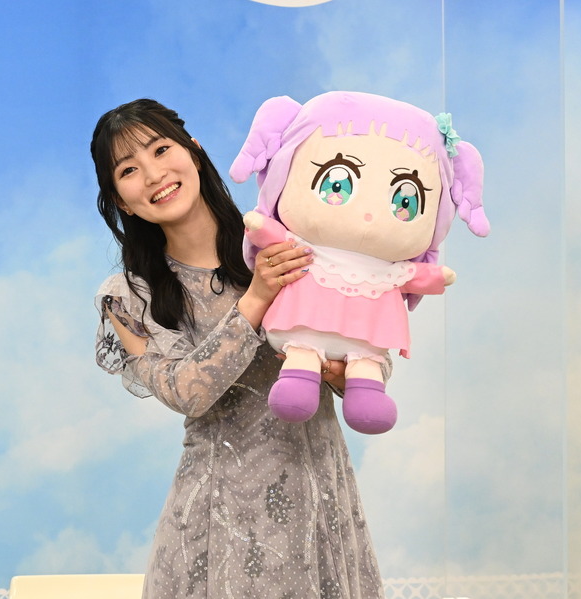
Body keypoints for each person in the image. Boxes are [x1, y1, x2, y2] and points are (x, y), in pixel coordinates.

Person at [91, 98, 385, 598]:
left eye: (161, 150)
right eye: (129, 170)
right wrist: (256, 299)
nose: (154, 174)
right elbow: (186, 392)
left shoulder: (286, 244)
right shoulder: (128, 297)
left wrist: (341, 373)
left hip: (321, 503)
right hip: (218, 523)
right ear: (121, 201)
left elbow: (366, 353)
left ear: (194, 151)